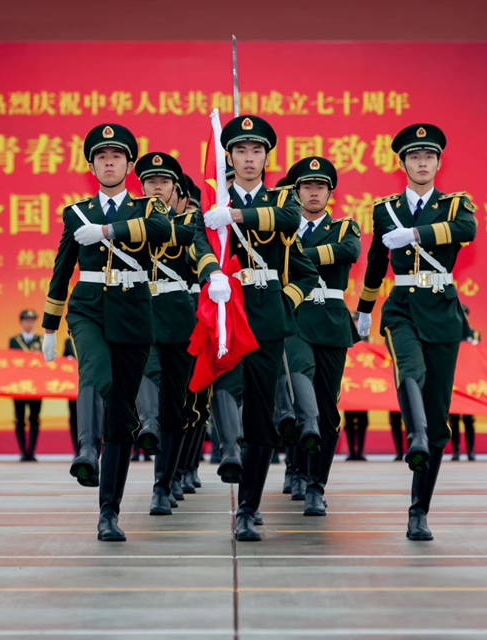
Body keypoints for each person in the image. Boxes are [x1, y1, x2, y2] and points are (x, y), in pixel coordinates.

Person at [41, 123, 171, 542]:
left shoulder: (149, 207)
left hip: (134, 311)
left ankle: (109, 512)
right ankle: (85, 448)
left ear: (129, 166)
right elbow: (62, 270)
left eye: (116, 156)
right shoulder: (76, 213)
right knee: (94, 370)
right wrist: (49, 326)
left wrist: (107, 231)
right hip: (89, 308)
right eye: (101, 157)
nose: (109, 163)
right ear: (92, 166)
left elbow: (162, 232)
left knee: (120, 414)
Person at [192, 114, 317, 542]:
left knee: (263, 416)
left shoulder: (282, 198)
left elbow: (287, 223)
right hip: (228, 307)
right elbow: (198, 243)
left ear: (267, 158)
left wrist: (234, 215)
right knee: (226, 383)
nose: (249, 158)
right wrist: (213, 272)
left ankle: (248, 507)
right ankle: (228, 450)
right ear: (228, 156)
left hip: (266, 313)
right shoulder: (214, 199)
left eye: (257, 150)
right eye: (241, 150)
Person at [356, 123, 477, 541]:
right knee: (409, 367)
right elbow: (376, 261)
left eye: (429, 156)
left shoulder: (456, 203)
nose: (422, 163)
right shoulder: (385, 209)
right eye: (414, 157)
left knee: (439, 416)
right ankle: (416, 434)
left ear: (439, 163)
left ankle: (418, 511)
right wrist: (364, 310)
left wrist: (415, 234)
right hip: (402, 307)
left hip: (442, 310)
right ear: (402, 164)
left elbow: (467, 231)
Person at [274, 157, 361, 516]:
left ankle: (315, 486)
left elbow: (348, 251)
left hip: (330, 323)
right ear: (295, 192)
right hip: (294, 319)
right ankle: (295, 470)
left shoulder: (344, 227)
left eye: (320, 187)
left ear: (330, 193)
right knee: (300, 382)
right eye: (307, 186)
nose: (314, 192)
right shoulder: (282, 228)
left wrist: (292, 256)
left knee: (327, 410)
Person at [132, 152, 196, 516]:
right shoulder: (128, 218)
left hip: (177, 317)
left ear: (175, 188)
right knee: (148, 369)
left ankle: (164, 483)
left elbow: (193, 242)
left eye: (164, 182)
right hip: (140, 312)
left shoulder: (190, 221)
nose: (157, 187)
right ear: (141, 186)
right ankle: (148, 423)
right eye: (151, 181)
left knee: (176, 405)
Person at [179, 177, 208, 495]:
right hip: (170, 317)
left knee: (198, 402)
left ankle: (187, 466)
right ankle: (170, 472)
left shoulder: (202, 235)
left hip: (202, 317)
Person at [10, 309, 43, 462]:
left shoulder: (41, 340)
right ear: (21, 322)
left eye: (32, 321)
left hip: (36, 387)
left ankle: (32, 451)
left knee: (35, 419)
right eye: (26, 321)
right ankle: (23, 450)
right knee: (19, 419)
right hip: (19, 387)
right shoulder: (14, 341)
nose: (29, 324)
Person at [449, 304, 481, 461]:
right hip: (453, 379)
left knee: (469, 419)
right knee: (453, 419)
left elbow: (480, 356)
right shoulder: (448, 332)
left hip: (468, 381)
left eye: (465, 314)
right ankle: (456, 450)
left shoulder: (475, 334)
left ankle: (471, 450)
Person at [64, 338, 79, 456]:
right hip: (73, 387)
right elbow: (62, 364)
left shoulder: (94, 337)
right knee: (74, 418)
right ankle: (77, 449)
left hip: (91, 384)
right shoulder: (69, 342)